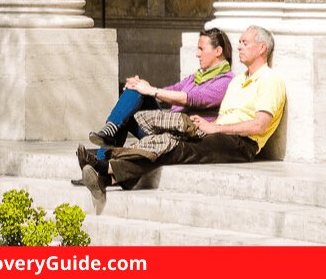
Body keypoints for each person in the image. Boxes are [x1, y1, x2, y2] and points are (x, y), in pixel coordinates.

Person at [81, 25, 286, 215]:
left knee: (175, 146)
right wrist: (210, 126)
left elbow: (260, 125)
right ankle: (108, 173)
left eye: (245, 43)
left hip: (242, 143)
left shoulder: (270, 80)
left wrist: (215, 129)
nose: (239, 46)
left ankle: (103, 165)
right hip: (218, 132)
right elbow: (215, 112)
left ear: (262, 48)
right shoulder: (239, 81)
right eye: (239, 42)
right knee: (167, 139)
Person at [84, 27, 234, 159]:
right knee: (134, 92)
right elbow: (171, 91)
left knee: (135, 99)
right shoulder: (197, 76)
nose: (197, 54)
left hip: (179, 134)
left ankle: (102, 156)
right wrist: (144, 86)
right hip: (165, 124)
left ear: (218, 51)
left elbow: (191, 99)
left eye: (201, 49)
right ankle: (108, 137)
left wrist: (150, 90)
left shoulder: (226, 81)